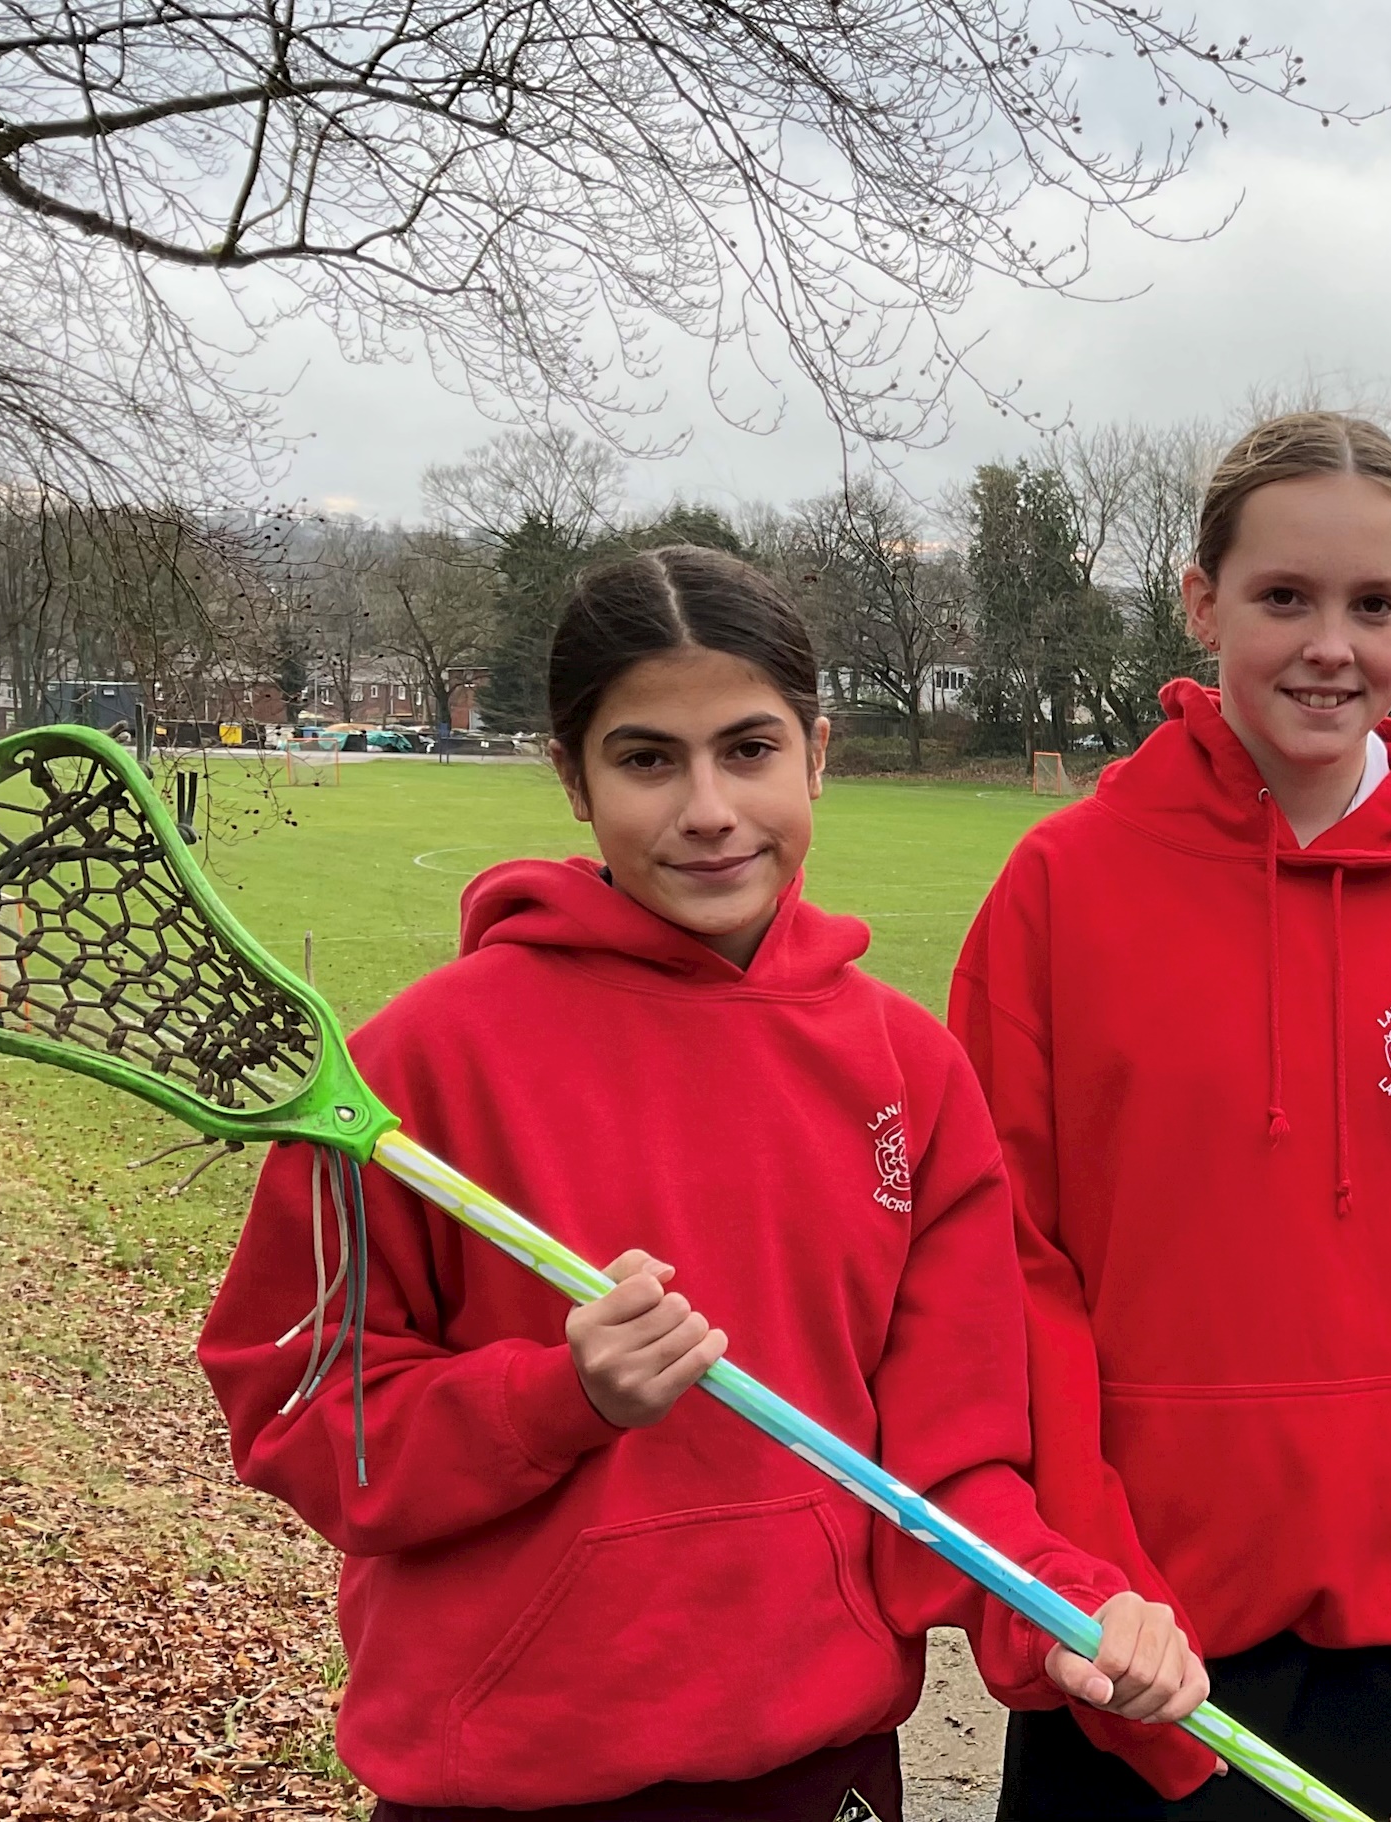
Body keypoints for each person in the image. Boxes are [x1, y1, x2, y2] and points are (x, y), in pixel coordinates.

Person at [199, 545, 1201, 1821]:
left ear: (816, 754)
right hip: (513, 1783)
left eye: (748, 749)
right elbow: (296, 1406)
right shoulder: (423, 1067)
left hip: (821, 1769)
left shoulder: (910, 1070)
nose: (710, 808)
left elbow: (949, 1470)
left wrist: (1061, 1610)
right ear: (571, 777)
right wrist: (559, 1397)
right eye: (647, 759)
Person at [949, 412, 1391, 1820]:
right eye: (1284, 596)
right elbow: (1009, 1268)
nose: (1329, 644)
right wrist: (1084, 1577)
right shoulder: (1060, 888)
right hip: (1136, 1630)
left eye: (1374, 604)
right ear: (1200, 599)